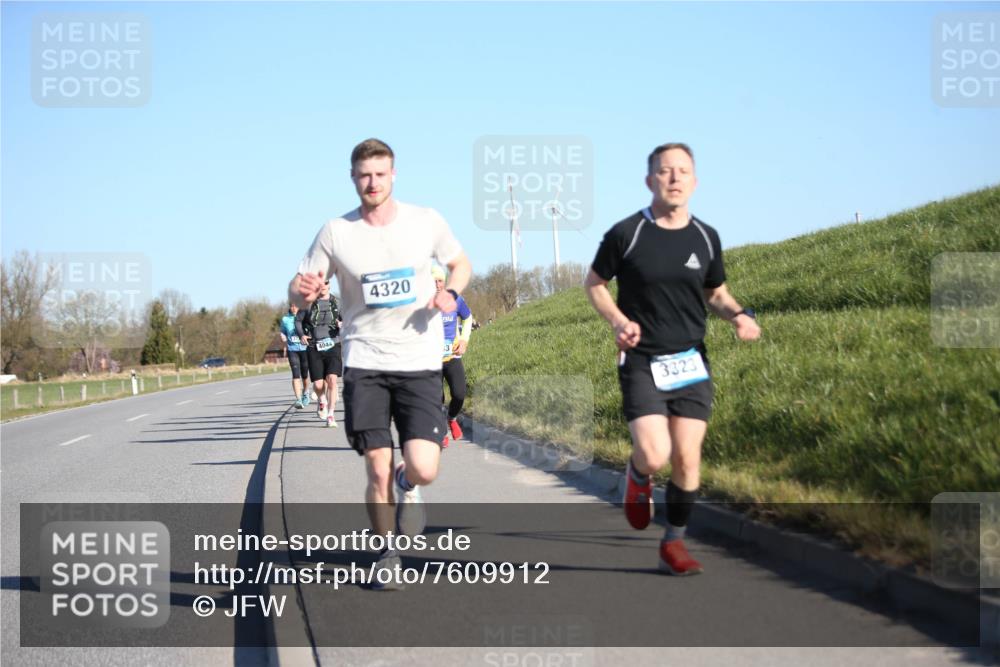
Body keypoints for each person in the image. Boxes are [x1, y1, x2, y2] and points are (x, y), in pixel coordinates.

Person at [290, 138, 471, 588]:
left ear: (393, 175)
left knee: (425, 467)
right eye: (364, 175)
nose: (372, 183)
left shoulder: (425, 221)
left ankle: (408, 483)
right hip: (364, 361)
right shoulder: (336, 232)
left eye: (380, 174)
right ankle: (387, 553)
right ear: (353, 178)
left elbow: (460, 263)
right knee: (376, 466)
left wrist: (451, 292)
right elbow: (299, 284)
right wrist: (302, 291)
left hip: (419, 361)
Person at [584, 142, 761, 576]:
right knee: (654, 453)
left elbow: (715, 293)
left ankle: (673, 543)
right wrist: (618, 321)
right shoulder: (627, 233)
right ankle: (638, 473)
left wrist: (739, 316)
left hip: (690, 362)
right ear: (650, 181)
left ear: (695, 182)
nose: (675, 177)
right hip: (642, 360)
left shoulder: (706, 236)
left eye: (683, 171)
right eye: (666, 171)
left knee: (687, 458)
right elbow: (594, 283)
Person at [433, 264, 473, 446]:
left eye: (440, 280)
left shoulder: (454, 299)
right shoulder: (422, 303)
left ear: (445, 282)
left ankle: (452, 418)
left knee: (459, 393)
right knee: (437, 398)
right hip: (431, 360)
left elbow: (467, 318)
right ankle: (441, 432)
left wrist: (464, 340)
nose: (436, 285)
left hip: (452, 356)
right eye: (433, 281)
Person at [301, 281, 343, 427]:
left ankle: (331, 415)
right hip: (314, 345)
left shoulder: (338, 303)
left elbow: (348, 320)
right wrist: (302, 334)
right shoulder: (309, 303)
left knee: (332, 379)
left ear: (329, 284)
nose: (323, 285)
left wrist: (342, 324)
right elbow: (298, 321)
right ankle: (322, 400)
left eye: (326, 282)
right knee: (318, 385)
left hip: (333, 344)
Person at [278, 303, 311, 408]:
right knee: (295, 375)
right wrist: (283, 336)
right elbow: (282, 331)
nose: (294, 308)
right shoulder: (285, 319)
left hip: (305, 349)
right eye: (292, 306)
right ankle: (298, 399)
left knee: (305, 376)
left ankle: (306, 393)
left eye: (296, 306)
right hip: (292, 350)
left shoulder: (305, 316)